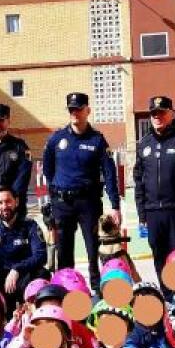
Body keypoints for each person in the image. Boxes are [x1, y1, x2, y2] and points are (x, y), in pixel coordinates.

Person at [41, 92, 122, 289]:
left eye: (79, 109)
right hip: (63, 204)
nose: (75, 113)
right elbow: (48, 169)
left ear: (88, 110)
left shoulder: (97, 140)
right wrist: (55, 193)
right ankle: (66, 289)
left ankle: (97, 288)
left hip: (89, 203)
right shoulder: (56, 139)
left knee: (94, 249)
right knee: (64, 251)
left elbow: (109, 172)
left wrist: (115, 205)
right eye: (71, 109)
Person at [133, 96, 175, 282]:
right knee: (159, 256)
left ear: (171, 114)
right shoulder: (145, 143)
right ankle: (168, 297)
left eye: (161, 113)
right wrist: (142, 214)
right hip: (153, 211)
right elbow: (139, 180)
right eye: (154, 113)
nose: (157, 117)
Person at [0, 187, 47, 308]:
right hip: (2, 281)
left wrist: (17, 269)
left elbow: (41, 255)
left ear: (16, 202)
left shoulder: (29, 225)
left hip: (27, 277)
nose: (4, 206)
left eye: (8, 201)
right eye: (0, 203)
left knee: (42, 275)